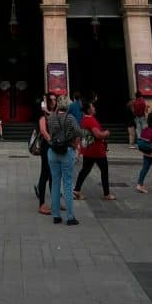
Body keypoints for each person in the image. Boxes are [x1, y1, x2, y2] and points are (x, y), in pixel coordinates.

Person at [46, 95, 81, 226]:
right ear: (67, 106)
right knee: (67, 183)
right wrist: (74, 144)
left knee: (55, 182)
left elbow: (51, 134)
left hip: (53, 151)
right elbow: (79, 132)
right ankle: (70, 217)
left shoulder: (51, 118)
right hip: (66, 151)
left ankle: (56, 215)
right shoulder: (70, 118)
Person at [74, 100, 116, 201]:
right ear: (89, 109)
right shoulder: (91, 120)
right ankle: (106, 194)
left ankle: (77, 189)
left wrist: (78, 149)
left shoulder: (84, 119)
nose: (94, 108)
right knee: (104, 171)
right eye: (92, 107)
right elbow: (98, 135)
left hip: (88, 150)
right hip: (97, 151)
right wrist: (106, 133)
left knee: (85, 170)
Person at [34, 93, 57, 215]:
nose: (53, 102)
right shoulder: (43, 115)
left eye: (55, 99)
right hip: (47, 148)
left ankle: (55, 202)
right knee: (45, 175)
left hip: (54, 147)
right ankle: (41, 204)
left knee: (53, 176)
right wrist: (51, 141)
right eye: (51, 100)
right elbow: (43, 130)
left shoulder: (54, 113)